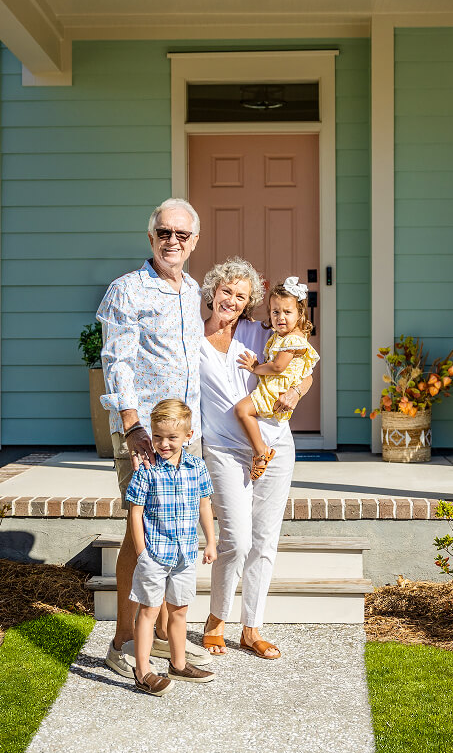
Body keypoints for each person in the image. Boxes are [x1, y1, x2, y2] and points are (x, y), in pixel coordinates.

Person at [97, 198, 210, 677]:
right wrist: (132, 425)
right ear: (151, 237)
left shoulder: (192, 290)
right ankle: (122, 642)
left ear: (194, 242)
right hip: (143, 431)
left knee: (176, 523)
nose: (173, 242)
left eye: (182, 236)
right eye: (165, 233)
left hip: (186, 432)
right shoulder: (127, 290)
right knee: (138, 528)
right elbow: (116, 360)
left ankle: (164, 637)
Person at [199, 258, 312, 659]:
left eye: (241, 295)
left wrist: (296, 394)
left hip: (276, 447)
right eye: (226, 291)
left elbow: (304, 366)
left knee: (265, 540)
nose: (231, 300)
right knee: (237, 539)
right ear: (212, 292)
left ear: (250, 303)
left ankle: (252, 628)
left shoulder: (260, 333)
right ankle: (216, 619)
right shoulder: (189, 339)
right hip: (225, 449)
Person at [127, 399, 216, 696]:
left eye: (172, 437)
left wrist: (211, 542)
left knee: (179, 610)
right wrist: (141, 553)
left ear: (188, 436)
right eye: (158, 436)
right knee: (149, 611)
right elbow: (135, 513)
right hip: (154, 554)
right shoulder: (146, 471)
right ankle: (143, 671)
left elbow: (205, 505)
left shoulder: (196, 467)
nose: (164, 443)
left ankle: (178, 664)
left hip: (185, 554)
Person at [234, 277, 319, 480]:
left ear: (300, 314)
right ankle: (261, 448)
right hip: (273, 390)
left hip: (273, 392)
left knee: (242, 410)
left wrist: (255, 368)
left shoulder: (291, 339)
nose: (281, 317)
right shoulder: (282, 336)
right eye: (275, 312)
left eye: (287, 312)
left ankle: (261, 452)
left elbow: (278, 366)